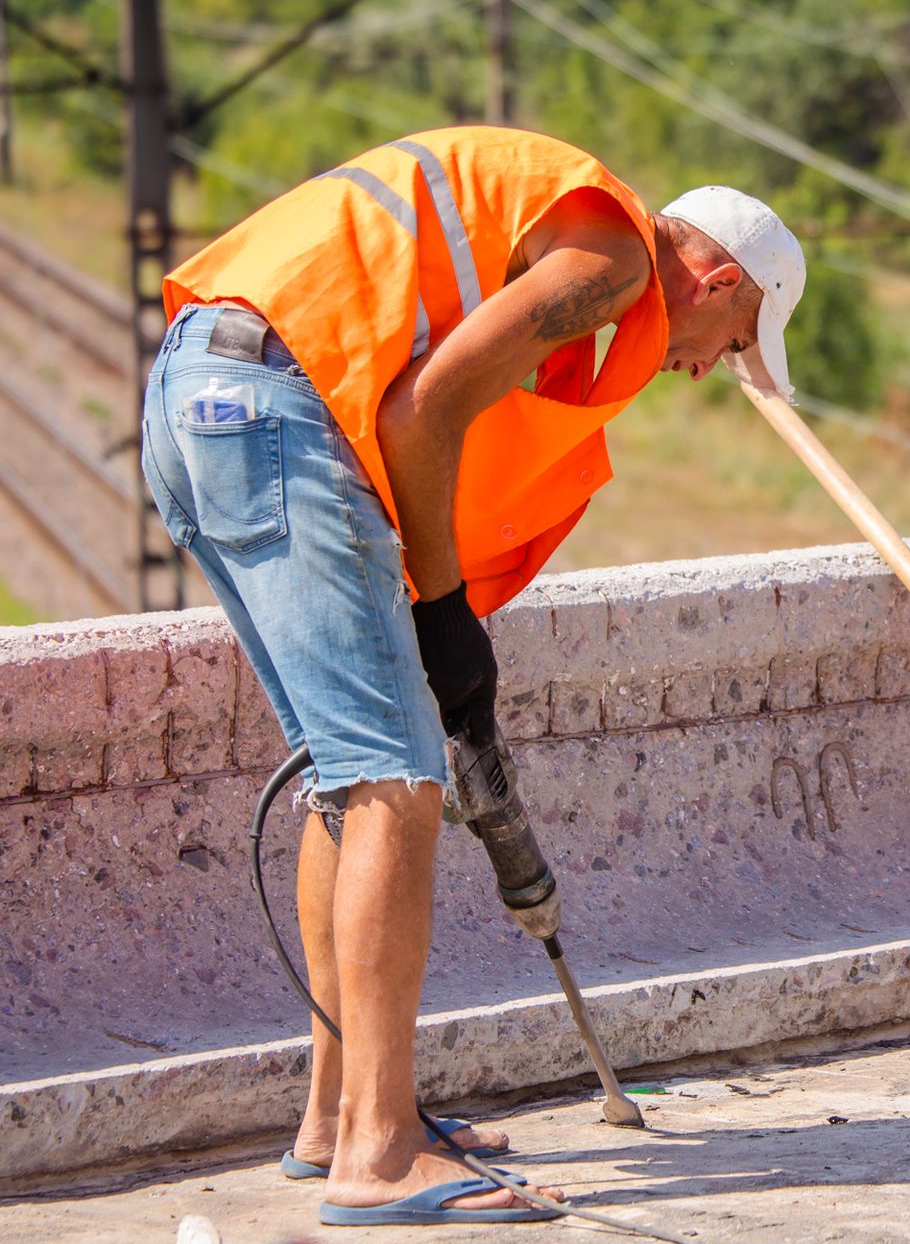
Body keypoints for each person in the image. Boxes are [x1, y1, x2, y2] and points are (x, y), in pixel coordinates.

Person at [140, 126, 805, 1224]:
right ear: (719, 279)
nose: (704, 367)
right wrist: (444, 613)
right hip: (277, 404)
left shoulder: (564, 221)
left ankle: (339, 1115)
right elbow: (422, 407)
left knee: (347, 776)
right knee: (395, 778)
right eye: (731, 341)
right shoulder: (613, 260)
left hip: (200, 389)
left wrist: (438, 604)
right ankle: (380, 1155)